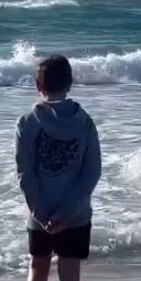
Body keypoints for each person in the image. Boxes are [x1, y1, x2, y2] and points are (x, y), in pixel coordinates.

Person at [14, 55, 101, 281]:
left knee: (38, 266)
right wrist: (67, 214)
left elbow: (25, 174)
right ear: (70, 84)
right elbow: (91, 172)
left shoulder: (26, 122)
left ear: (38, 85)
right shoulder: (85, 122)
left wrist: (41, 215)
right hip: (76, 214)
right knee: (70, 271)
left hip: (40, 211)